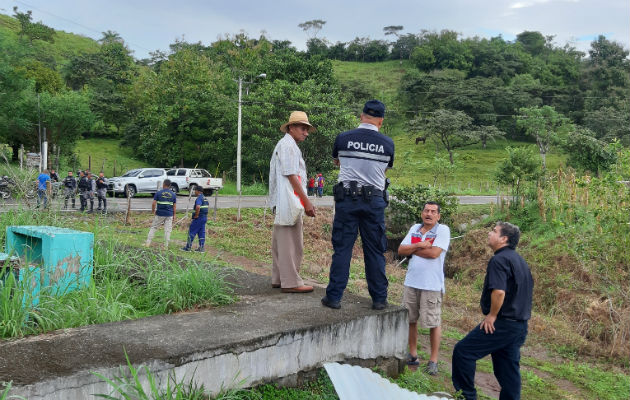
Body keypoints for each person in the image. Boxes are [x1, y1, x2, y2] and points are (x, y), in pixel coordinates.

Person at [322, 100, 394, 310]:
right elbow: (385, 170)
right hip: (374, 202)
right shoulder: (388, 144)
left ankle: (334, 297)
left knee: (343, 248)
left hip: (347, 200)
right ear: (381, 121)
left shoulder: (343, 138)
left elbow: (337, 161)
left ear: (361, 116)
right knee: (374, 250)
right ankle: (379, 299)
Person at [452, 222, 534, 400]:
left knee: (463, 352)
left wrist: (492, 315)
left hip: (502, 324)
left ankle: (466, 396)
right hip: (519, 325)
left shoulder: (499, 260)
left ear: (504, 239)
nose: (489, 233)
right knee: (507, 370)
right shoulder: (520, 261)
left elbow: (499, 291)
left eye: (494, 231)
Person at [397, 202, 451, 376]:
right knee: (410, 319)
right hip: (411, 282)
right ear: (422, 213)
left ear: (438, 216)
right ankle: (413, 354)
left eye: (433, 211)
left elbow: (434, 254)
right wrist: (420, 245)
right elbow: (400, 250)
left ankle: (433, 360)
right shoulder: (415, 228)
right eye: (426, 210)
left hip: (432, 285)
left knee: (433, 322)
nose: (429, 214)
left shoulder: (442, 230)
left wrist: (411, 249)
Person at [268, 111, 316, 293]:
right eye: (303, 128)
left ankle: (279, 278)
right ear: (291, 128)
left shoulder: (287, 145)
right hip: (288, 200)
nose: (306, 132)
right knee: (292, 243)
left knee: (281, 241)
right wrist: (307, 202)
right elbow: (291, 175)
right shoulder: (288, 145)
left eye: (307, 129)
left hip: (284, 200)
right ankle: (291, 282)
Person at [145, 179, 177, 248]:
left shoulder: (158, 193)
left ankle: (148, 243)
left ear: (164, 184)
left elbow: (153, 203)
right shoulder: (173, 194)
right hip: (169, 215)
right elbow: (174, 206)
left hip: (160, 214)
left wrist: (153, 211)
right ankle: (166, 246)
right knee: (167, 230)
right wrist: (174, 215)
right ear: (169, 186)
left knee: (154, 227)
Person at [182, 185, 209, 252]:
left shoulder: (199, 198)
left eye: (195, 191)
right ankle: (201, 248)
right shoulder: (205, 198)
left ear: (198, 191)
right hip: (204, 218)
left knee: (192, 231)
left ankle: (188, 247)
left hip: (198, 218)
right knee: (201, 233)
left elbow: (198, 207)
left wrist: (196, 215)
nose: (195, 192)